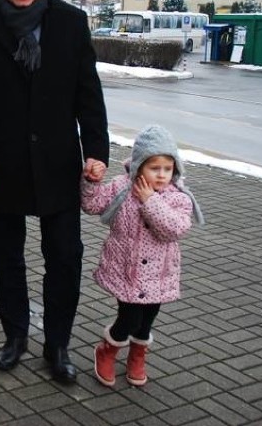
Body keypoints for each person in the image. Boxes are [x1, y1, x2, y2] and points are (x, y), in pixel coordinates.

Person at [0, 0, 109, 383]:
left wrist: (96, 150)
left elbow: (88, 93)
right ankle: (15, 336)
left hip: (58, 163)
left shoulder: (71, 23)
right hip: (1, 165)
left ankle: (57, 344)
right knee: (6, 257)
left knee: (65, 257)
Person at [82, 124, 203, 388]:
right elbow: (92, 204)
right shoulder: (121, 188)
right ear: (139, 166)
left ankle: (137, 356)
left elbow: (175, 228)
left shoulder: (177, 197)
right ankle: (108, 350)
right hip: (127, 271)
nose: (162, 175)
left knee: (147, 320)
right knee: (129, 318)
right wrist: (91, 181)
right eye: (154, 168)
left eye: (167, 169)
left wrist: (150, 201)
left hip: (159, 275)